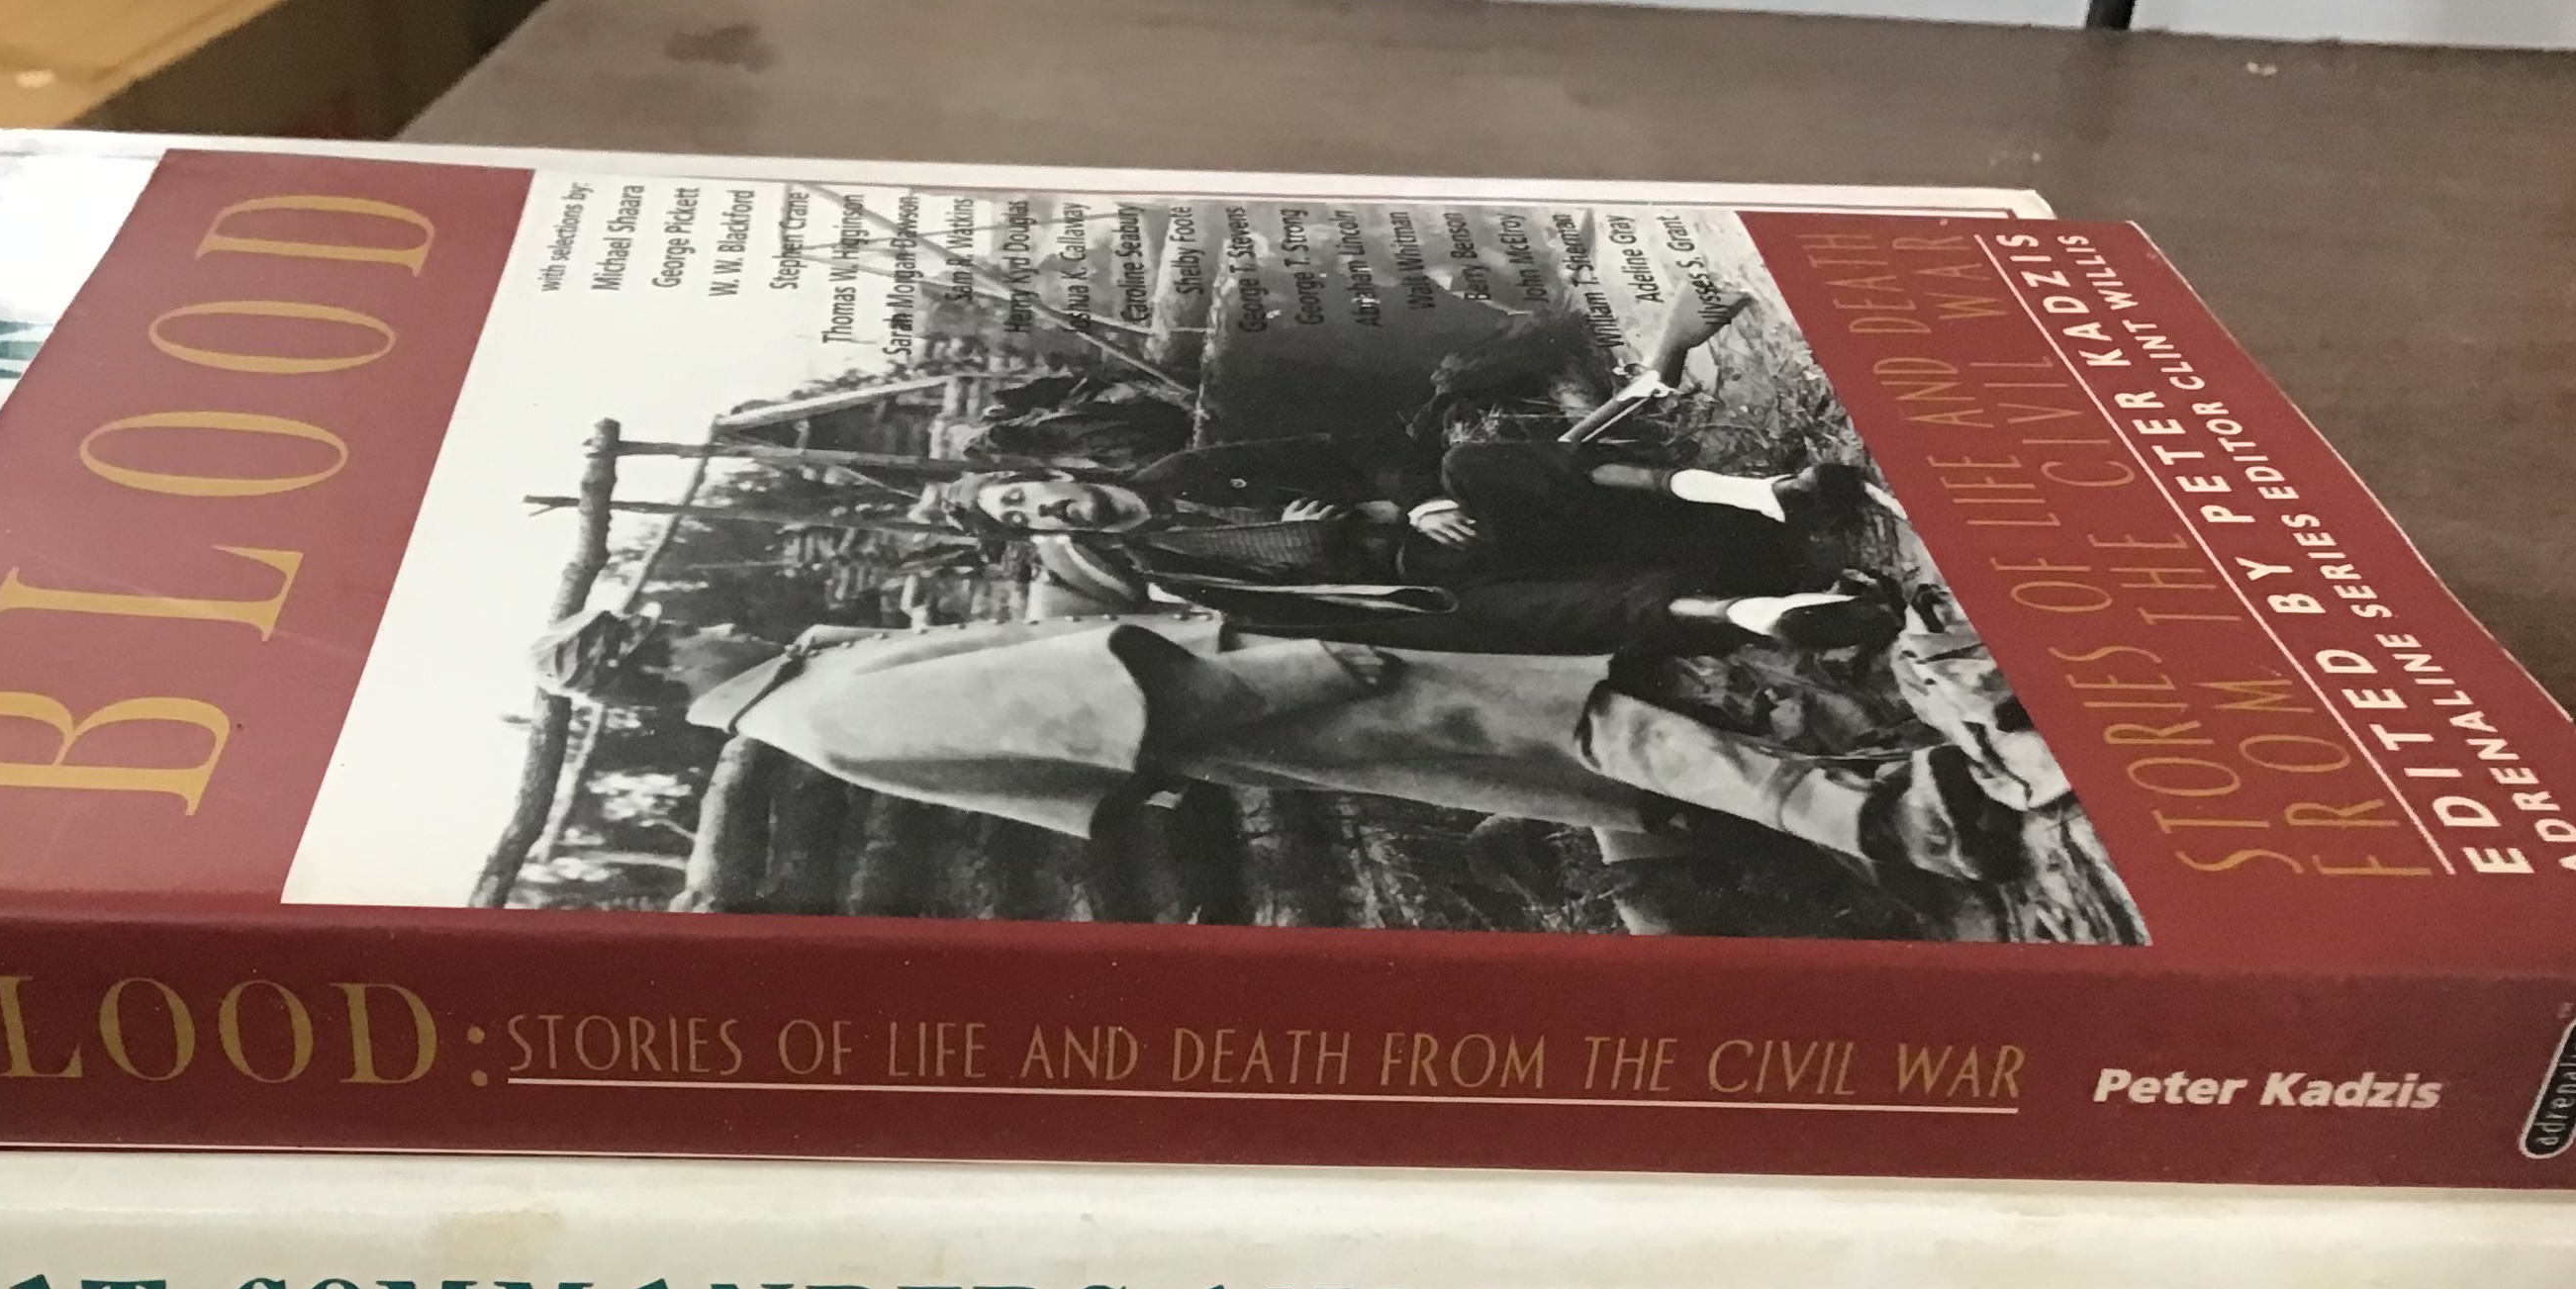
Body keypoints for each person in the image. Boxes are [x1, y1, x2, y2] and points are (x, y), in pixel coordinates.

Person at [528, 606, 2024, 889]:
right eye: (661, 634)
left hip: (1268, 694)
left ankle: (1859, 807)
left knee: (1573, 746)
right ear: (656, 673)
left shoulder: (808, 686)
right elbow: (1109, 712)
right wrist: (1299, 668)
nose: (689, 625)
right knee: (1581, 725)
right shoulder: (824, 712)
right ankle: (1884, 824)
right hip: (1272, 698)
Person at [951, 438, 1903, 654]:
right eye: (1025, 519)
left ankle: (1759, 494)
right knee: (1509, 615)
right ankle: (1762, 615)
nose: (1047, 508)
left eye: (1026, 491)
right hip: (1417, 578)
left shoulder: (1196, 468)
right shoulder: (1170, 573)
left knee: (1475, 461)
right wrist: (1351, 554)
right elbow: (1312, 615)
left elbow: (1363, 451)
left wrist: (1414, 502)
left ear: (1053, 471)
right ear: (1042, 535)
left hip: (1449, 521)